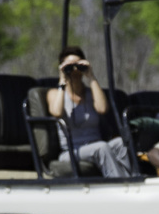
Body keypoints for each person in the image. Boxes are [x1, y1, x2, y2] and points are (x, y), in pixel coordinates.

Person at [47, 45, 131, 178]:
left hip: (96, 144)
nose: (74, 70)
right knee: (102, 148)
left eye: (78, 65)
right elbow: (56, 112)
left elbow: (103, 109)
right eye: (70, 66)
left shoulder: (91, 94)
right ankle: (119, 184)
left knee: (120, 143)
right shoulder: (55, 93)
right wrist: (62, 79)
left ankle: (130, 181)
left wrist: (91, 76)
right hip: (71, 151)